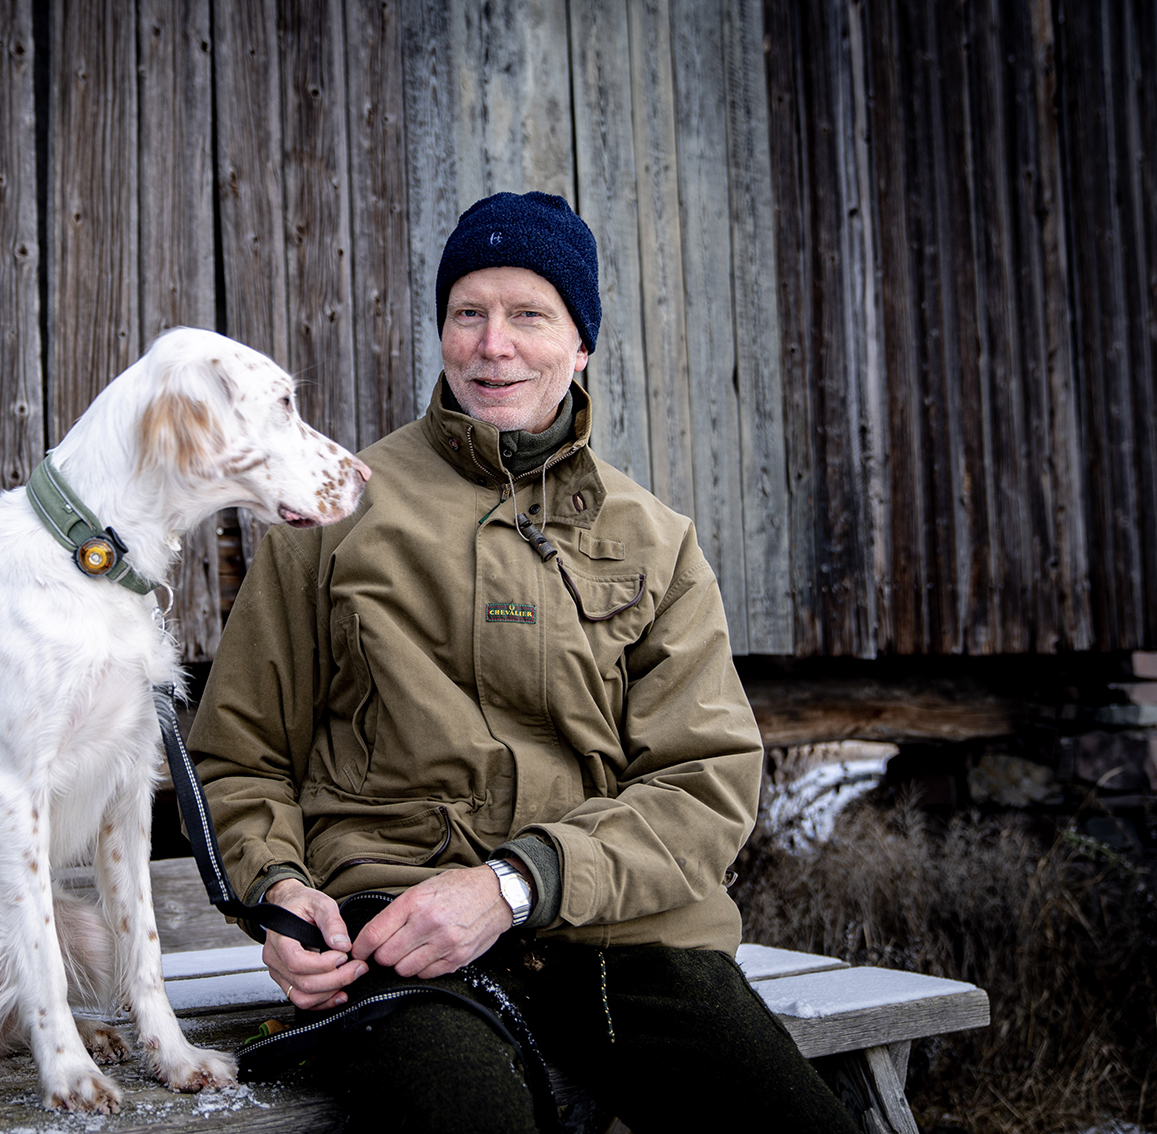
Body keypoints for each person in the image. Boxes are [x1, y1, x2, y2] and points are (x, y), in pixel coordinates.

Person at [188, 192, 856, 1133]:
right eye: (469, 313)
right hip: (395, 933)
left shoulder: (653, 540)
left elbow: (703, 781)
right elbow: (239, 753)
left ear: (579, 345)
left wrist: (512, 885)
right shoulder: (336, 514)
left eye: (528, 315)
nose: (492, 344)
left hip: (615, 936)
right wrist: (279, 895)